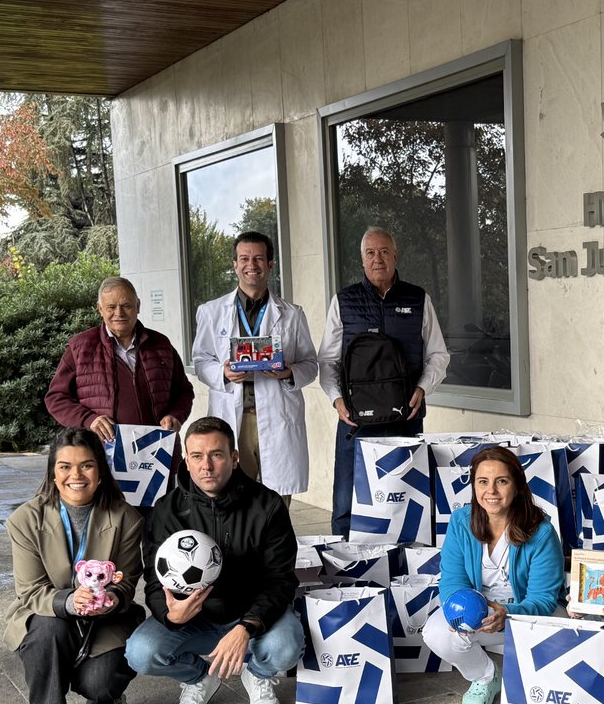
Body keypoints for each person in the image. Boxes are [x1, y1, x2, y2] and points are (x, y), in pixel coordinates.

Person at [125, 417, 305, 704]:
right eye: (197, 456)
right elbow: (155, 581)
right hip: (195, 620)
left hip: (251, 617)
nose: (206, 466)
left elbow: (281, 579)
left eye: (216, 455)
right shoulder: (166, 511)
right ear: (186, 460)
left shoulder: (267, 505)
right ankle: (199, 678)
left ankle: (258, 673)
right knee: (140, 653)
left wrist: (247, 626)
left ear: (234, 458)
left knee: (287, 647)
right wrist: (170, 614)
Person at [4, 427, 145, 704]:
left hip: (105, 620)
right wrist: (69, 601)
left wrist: (112, 598)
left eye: (86, 465)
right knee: (47, 629)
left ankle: (107, 697)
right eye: (65, 466)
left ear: (100, 471)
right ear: (53, 473)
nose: (76, 475)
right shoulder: (25, 520)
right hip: (48, 614)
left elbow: (126, 581)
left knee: (100, 685)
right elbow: (30, 590)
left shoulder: (126, 517)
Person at [318, 226, 449, 536]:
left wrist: (422, 388)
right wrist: (337, 400)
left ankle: (406, 559)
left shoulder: (418, 299)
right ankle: (343, 559)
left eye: (384, 252)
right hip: (355, 421)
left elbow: (438, 355)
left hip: (406, 418)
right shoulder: (343, 301)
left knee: (407, 498)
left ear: (395, 256)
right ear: (362, 260)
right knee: (346, 502)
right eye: (371, 253)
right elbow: (328, 360)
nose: (378, 259)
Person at [423, 446, 566, 704]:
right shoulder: (461, 522)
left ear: (518, 486)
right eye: (483, 481)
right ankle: (486, 676)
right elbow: (452, 580)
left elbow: (543, 599)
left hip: (526, 613)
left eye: (501, 481)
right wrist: (461, 611)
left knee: (560, 647)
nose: (491, 491)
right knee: (436, 633)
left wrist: (507, 614)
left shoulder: (542, 532)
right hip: (481, 612)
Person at [192, 231, 318, 501]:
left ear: (270, 265)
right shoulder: (211, 312)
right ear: (235, 264)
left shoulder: (292, 314)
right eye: (245, 259)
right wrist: (223, 373)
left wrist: (289, 373)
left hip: (278, 414)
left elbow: (310, 364)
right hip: (234, 416)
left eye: (259, 259)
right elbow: (200, 361)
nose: (252, 265)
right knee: (233, 496)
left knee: (277, 501)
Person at [45, 277, 194, 443]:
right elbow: (56, 398)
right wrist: (88, 420)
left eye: (126, 306)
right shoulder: (80, 347)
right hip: (101, 450)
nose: (119, 313)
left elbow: (184, 391)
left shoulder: (161, 344)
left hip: (158, 448)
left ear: (138, 306)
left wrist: (175, 415)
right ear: (100, 309)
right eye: (111, 307)